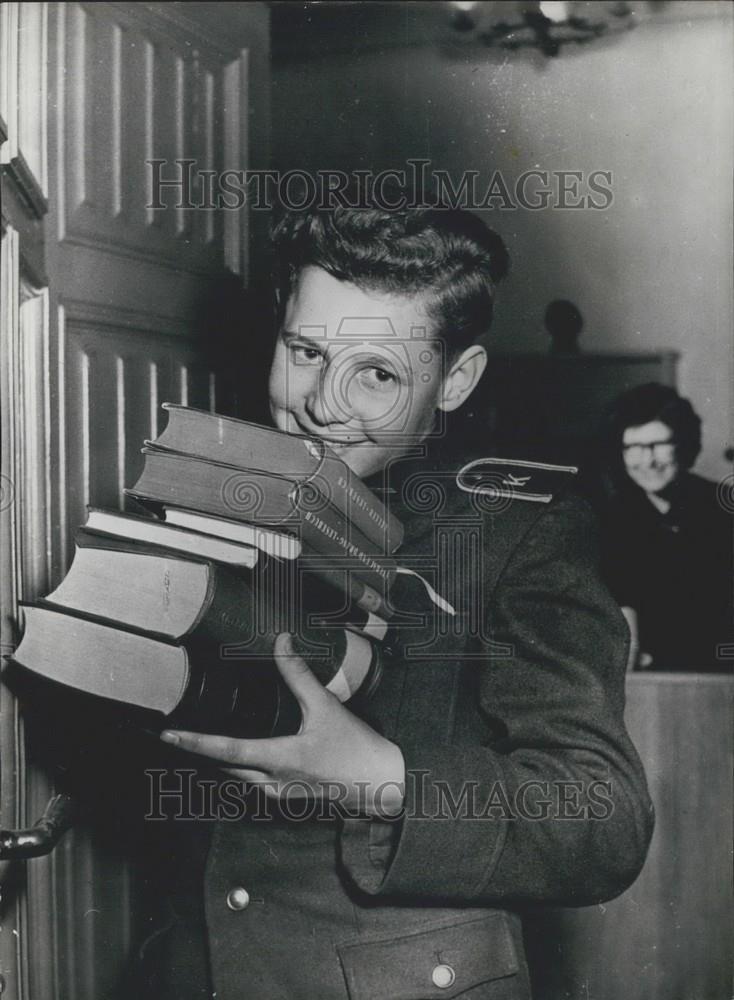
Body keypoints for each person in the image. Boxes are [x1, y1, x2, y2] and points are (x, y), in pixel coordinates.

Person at [136, 202, 654, 999]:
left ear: (455, 380)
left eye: (377, 372)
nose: (322, 402)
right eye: (305, 351)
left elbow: (604, 820)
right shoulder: (217, 489)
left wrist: (382, 776)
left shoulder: (518, 534)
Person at [596, 382, 733, 672]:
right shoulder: (609, 519)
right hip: (647, 681)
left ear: (683, 446)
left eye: (658, 445)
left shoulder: (723, 509)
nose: (647, 460)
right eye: (632, 447)